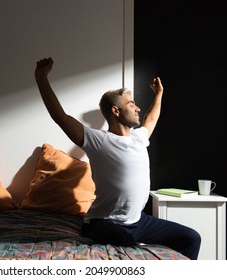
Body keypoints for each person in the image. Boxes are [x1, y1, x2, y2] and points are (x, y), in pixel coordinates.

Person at [34, 57, 201, 260]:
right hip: (103, 223)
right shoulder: (98, 140)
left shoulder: (139, 138)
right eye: (131, 104)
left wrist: (159, 94)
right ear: (116, 110)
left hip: (140, 222)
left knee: (192, 238)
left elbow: (151, 117)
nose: (138, 108)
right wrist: (41, 78)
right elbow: (60, 116)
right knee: (126, 242)